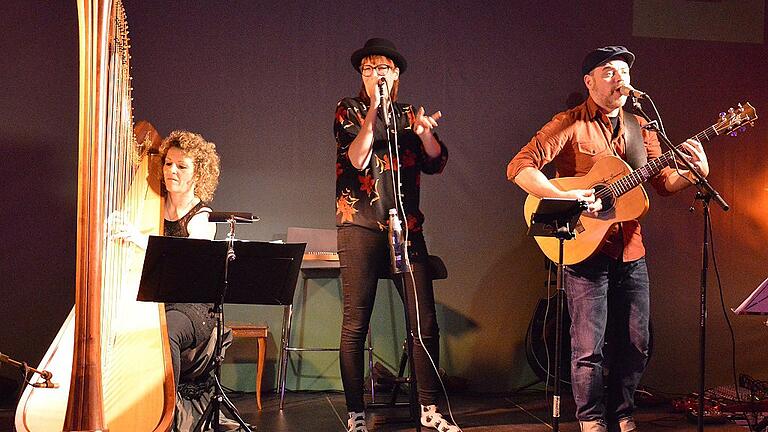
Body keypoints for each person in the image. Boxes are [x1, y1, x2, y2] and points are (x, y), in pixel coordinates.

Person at [506, 46, 709, 432]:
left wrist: (695, 173)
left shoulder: (641, 126)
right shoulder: (569, 123)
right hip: (584, 249)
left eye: (624, 72)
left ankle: (623, 412)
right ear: (589, 81)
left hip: (631, 248)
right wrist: (565, 196)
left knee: (636, 343)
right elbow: (519, 166)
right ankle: (591, 420)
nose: (620, 79)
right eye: (609, 72)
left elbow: (663, 183)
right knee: (588, 348)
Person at [334, 38, 460, 432]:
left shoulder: (409, 114)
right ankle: (356, 413)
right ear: (362, 77)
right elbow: (356, 159)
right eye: (368, 69)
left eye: (383, 69)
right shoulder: (349, 109)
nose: (376, 75)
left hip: (407, 227)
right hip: (359, 226)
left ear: (397, 75)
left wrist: (423, 133)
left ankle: (428, 409)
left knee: (424, 322)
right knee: (356, 321)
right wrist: (374, 110)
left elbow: (435, 162)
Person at [112, 130, 240, 431]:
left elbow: (188, 263)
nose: (171, 171)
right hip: (159, 299)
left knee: (164, 334)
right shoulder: (152, 206)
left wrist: (138, 240)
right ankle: (126, 409)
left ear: (198, 174)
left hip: (193, 308)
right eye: (168, 164)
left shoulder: (201, 217)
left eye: (181, 166)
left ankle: (163, 413)